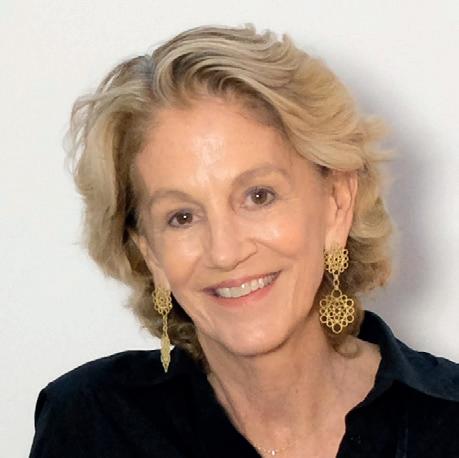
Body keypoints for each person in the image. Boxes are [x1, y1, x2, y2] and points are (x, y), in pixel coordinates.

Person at [29, 24, 459, 457]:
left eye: (258, 196)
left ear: (336, 203)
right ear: (150, 252)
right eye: (181, 217)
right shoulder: (90, 425)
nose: (225, 251)